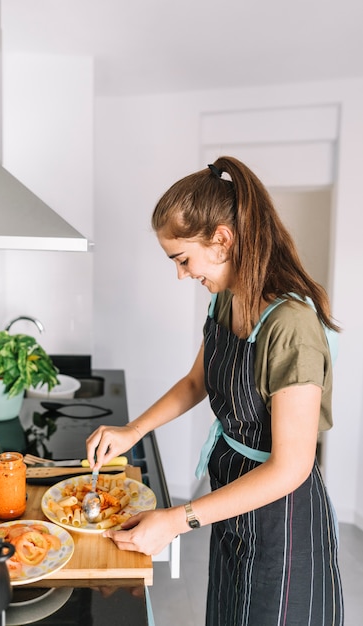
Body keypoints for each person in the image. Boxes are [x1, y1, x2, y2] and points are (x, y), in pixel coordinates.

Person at [86, 156, 344, 625]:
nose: (181, 274)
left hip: (282, 521)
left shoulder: (291, 326)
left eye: (182, 259)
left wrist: (176, 519)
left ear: (221, 239)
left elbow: (292, 467)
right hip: (230, 505)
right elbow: (195, 382)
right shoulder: (225, 301)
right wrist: (131, 431)